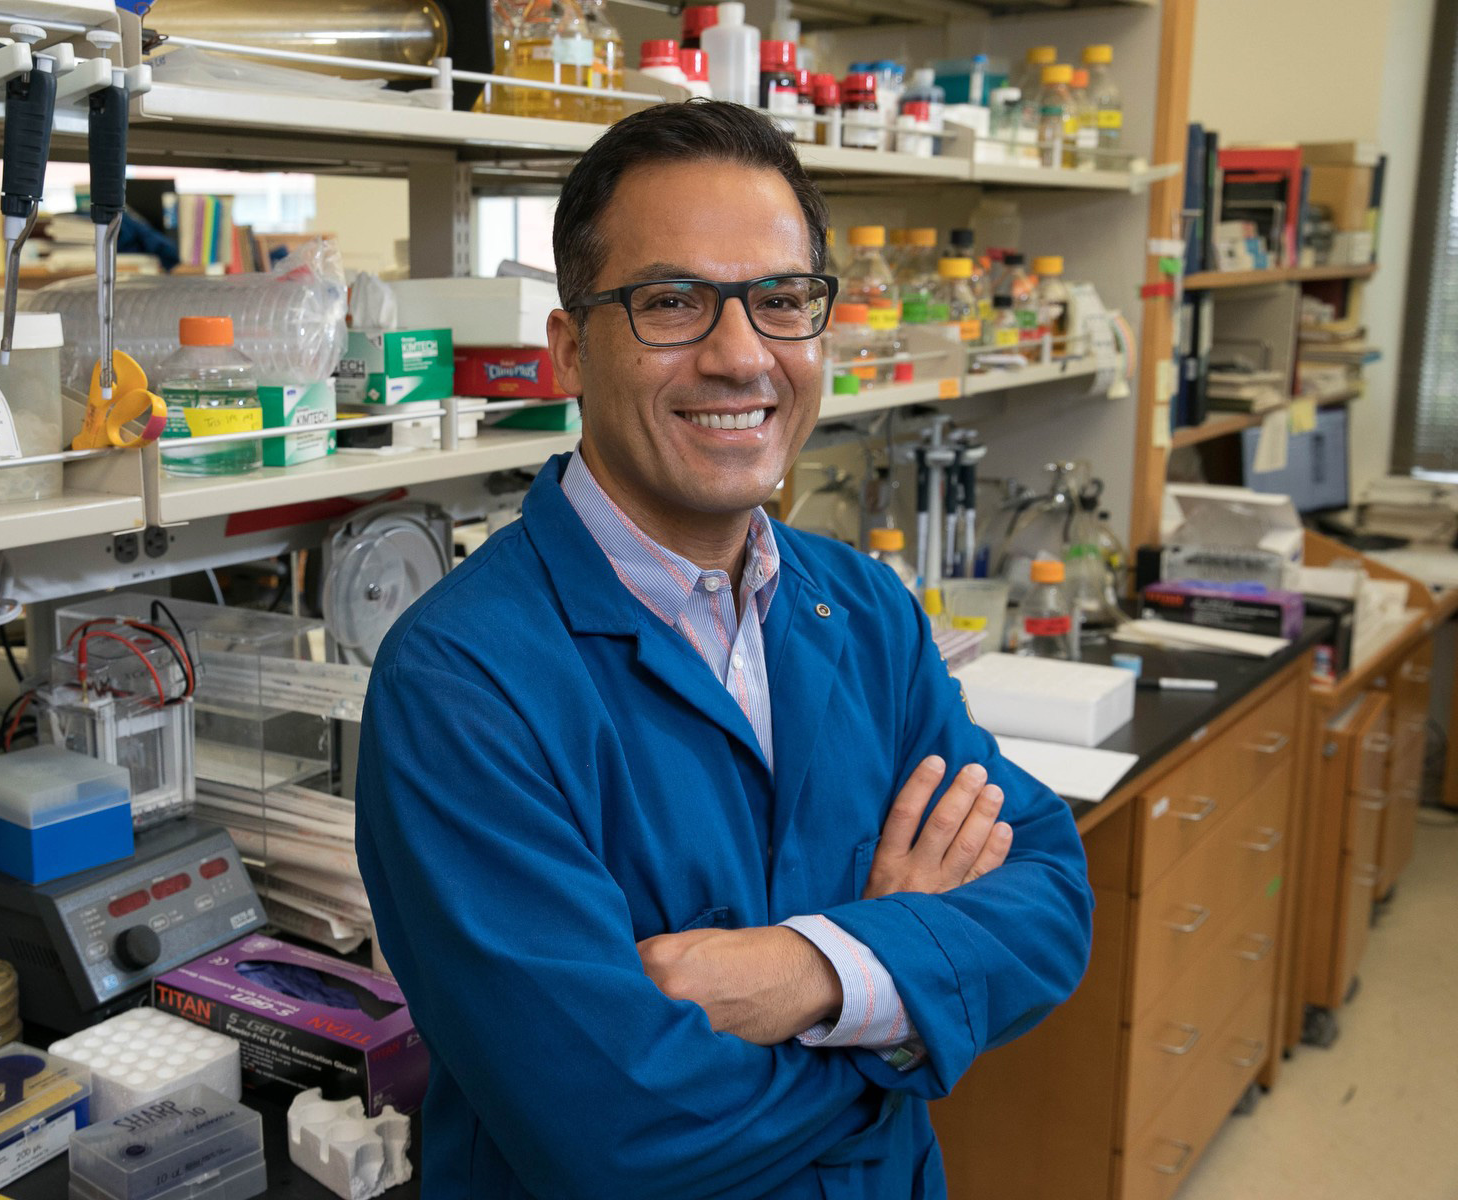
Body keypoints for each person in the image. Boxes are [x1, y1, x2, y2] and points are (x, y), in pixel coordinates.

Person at [355, 100, 1092, 1198]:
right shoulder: (460, 686)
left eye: (782, 301)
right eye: (671, 302)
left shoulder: (862, 610)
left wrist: (814, 974)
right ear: (570, 349)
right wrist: (909, 1019)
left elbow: (1049, 897)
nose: (741, 355)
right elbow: (615, 1135)